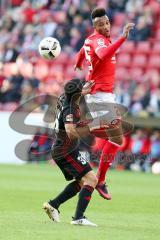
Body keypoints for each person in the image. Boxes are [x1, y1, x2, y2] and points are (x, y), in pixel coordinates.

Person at [75, 8, 135, 200]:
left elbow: (83, 50)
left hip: (103, 95)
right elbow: (102, 54)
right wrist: (123, 37)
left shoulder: (90, 39)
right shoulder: (100, 41)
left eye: (107, 23)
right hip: (99, 95)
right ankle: (99, 179)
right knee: (117, 139)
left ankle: (98, 179)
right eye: (100, 25)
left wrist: (78, 62)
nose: (105, 26)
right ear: (95, 27)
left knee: (116, 139)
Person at [43, 78, 98, 227]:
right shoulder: (70, 108)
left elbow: (77, 93)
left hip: (62, 148)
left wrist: (88, 88)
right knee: (92, 180)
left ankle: (53, 204)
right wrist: (91, 128)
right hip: (66, 150)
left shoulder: (64, 96)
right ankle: (78, 218)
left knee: (81, 182)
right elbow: (70, 132)